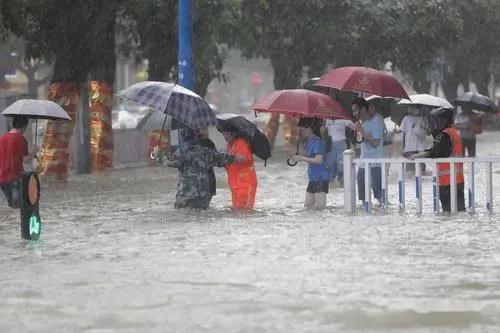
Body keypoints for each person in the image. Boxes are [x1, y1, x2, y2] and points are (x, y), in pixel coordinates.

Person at [161, 128, 242, 210]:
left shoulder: (181, 152)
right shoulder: (205, 151)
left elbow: (168, 162)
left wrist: (158, 153)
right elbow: (220, 158)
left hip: (186, 195)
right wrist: (235, 157)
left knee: (184, 220)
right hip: (202, 196)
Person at [410, 107, 466, 212]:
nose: (437, 123)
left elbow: (436, 152)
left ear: (444, 120)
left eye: (438, 120)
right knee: (459, 211)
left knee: (448, 213)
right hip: (458, 181)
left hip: (447, 183)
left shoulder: (445, 134)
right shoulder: (454, 133)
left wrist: (418, 156)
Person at [349, 97, 385, 206]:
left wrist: (361, 130)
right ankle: (365, 217)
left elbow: (375, 143)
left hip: (376, 162)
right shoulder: (360, 123)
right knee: (363, 194)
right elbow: (360, 141)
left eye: (356, 110)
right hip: (363, 162)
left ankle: (386, 213)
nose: (354, 113)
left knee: (379, 194)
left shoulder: (377, 119)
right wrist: (357, 131)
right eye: (353, 111)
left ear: (363, 109)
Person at [0, 116, 39, 208]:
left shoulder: (2, 139)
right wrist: (34, 151)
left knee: (11, 206)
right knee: (19, 207)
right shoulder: (21, 139)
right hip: (15, 178)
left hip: (2, 179)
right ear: (24, 126)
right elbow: (26, 161)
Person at [293, 117, 329, 210]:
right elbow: (305, 154)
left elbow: (318, 160)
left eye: (302, 130)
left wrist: (301, 158)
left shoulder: (317, 141)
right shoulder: (308, 142)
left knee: (320, 207)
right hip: (312, 178)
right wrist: (300, 142)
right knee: (308, 206)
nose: (300, 132)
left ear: (309, 128)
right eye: (299, 130)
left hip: (320, 177)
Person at [220, 126, 258, 211]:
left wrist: (233, 158)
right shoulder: (229, 145)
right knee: (237, 212)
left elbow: (244, 159)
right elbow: (229, 164)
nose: (225, 136)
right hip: (235, 185)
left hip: (245, 184)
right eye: (223, 134)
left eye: (227, 134)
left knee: (244, 212)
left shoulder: (241, 142)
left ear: (233, 133)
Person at [400, 106, 428, 172]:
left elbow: (428, 133)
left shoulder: (423, 119)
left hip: (419, 148)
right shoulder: (406, 118)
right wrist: (404, 147)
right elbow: (403, 133)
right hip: (411, 148)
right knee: (411, 171)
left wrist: (423, 127)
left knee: (419, 170)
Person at [323, 118, 350, 186]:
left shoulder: (344, 118)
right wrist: (322, 129)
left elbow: (355, 128)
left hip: (342, 144)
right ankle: (331, 190)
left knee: (342, 167)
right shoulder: (327, 119)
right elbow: (324, 132)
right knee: (330, 167)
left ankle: (343, 186)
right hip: (330, 145)